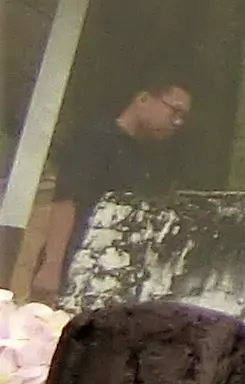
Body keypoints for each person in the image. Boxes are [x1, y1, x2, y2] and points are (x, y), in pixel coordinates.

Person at [9, 80, 190, 307]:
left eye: (183, 118)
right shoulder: (94, 140)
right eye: (174, 111)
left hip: (120, 276)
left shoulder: (154, 159)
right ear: (143, 98)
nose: (177, 122)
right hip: (75, 265)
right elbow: (67, 200)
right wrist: (51, 265)